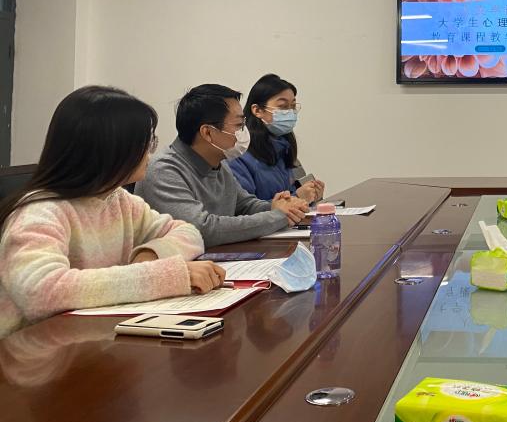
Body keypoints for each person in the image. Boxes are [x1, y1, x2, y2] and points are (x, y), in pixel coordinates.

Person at [0, 86, 223, 338]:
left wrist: (151, 255)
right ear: (110, 148)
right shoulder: (38, 213)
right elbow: (41, 292)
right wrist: (165, 275)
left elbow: (187, 232)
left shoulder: (116, 199)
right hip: (31, 349)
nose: (151, 153)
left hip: (91, 339)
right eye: (147, 143)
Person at [137, 84, 308, 246]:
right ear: (208, 132)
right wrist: (278, 216)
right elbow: (202, 229)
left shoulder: (219, 162)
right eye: (239, 125)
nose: (244, 132)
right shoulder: (163, 170)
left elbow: (245, 205)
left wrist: (279, 206)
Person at [229, 74, 324, 203]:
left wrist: (311, 196)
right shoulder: (239, 154)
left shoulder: (282, 147)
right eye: (283, 106)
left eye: (293, 106)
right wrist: (297, 198)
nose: (290, 112)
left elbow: (288, 194)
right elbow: (244, 209)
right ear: (257, 110)